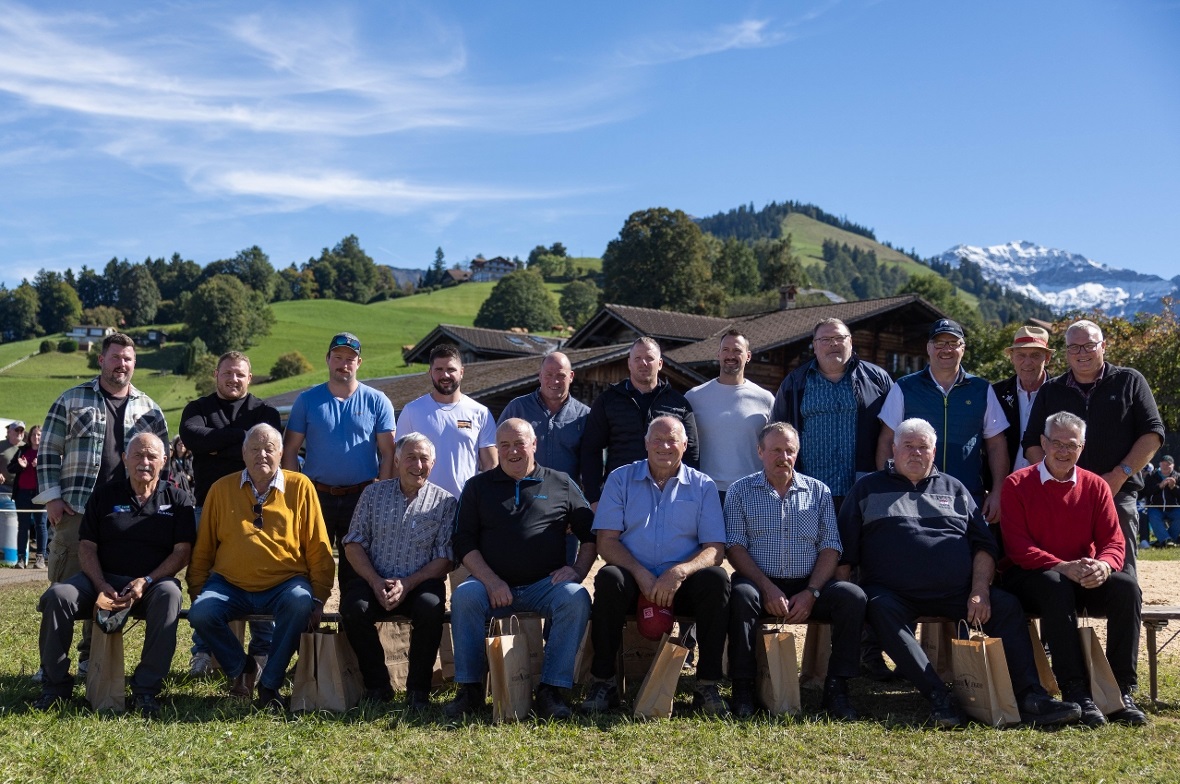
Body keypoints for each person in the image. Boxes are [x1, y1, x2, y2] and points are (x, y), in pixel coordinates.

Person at [839, 418, 1081, 729]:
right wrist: (847, 598)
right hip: (891, 594)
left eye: (922, 447)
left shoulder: (954, 488)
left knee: (1006, 606)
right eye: (908, 447)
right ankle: (940, 696)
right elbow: (844, 550)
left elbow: (984, 545)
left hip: (956, 592)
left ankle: (1031, 696)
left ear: (934, 451)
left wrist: (979, 589)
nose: (915, 453)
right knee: (879, 608)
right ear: (894, 449)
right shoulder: (867, 488)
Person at [1000, 411, 1147, 727]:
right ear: (1043, 443)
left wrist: (1104, 566)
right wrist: (1062, 566)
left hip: (1079, 575)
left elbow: (1114, 542)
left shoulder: (1095, 486)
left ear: (1082, 447)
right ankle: (1076, 692)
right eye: (1057, 443)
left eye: (1072, 445)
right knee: (1055, 584)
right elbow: (1018, 547)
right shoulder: (1017, 484)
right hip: (1031, 577)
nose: (1064, 451)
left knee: (1127, 587)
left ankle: (1121, 692)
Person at [32, 432, 194, 717]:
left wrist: (147, 581)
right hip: (101, 580)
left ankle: (146, 690)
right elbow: (86, 546)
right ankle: (55, 687)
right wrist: (100, 584)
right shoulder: (105, 495)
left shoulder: (178, 499)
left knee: (171, 594)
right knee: (58, 595)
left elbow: (182, 552)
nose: (144, 461)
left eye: (151, 456)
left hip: (151, 585)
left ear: (164, 461)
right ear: (124, 459)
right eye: (137, 455)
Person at [35, 332, 170, 674]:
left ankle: (87, 657)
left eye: (127, 359)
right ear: (102, 360)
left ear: (134, 364)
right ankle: (51, 662)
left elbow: (161, 461)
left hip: (124, 514)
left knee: (106, 583)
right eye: (115, 357)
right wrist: (52, 497)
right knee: (68, 584)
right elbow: (48, 450)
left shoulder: (150, 409)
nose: (121, 364)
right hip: (77, 508)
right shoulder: (72, 399)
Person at [445, 419, 597, 720]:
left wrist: (578, 570)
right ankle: (470, 690)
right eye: (505, 445)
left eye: (519, 443)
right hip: (490, 585)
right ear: (496, 449)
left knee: (576, 598)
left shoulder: (561, 483)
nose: (513, 451)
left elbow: (591, 534)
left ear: (534, 445)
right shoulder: (477, 487)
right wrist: (490, 581)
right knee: (464, 597)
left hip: (546, 585)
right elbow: (463, 542)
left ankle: (551, 690)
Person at [582, 416, 730, 716]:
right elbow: (607, 542)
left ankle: (707, 685)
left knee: (717, 580)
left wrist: (680, 572)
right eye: (657, 440)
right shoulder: (620, 479)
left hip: (682, 581)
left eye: (672, 439)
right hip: (633, 575)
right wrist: (639, 573)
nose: (664, 446)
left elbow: (715, 548)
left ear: (685, 445)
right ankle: (603, 682)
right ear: (646, 443)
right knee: (609, 578)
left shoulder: (702, 486)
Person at [188, 424, 335, 710]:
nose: (262, 455)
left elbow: (319, 546)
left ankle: (270, 683)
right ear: (243, 454)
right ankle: (242, 668)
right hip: (229, 583)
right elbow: (203, 548)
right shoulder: (221, 489)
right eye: (254, 448)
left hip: (285, 581)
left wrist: (319, 595)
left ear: (282, 453)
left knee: (300, 602)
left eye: (269, 449)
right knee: (202, 612)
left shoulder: (300, 487)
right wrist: (197, 588)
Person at [724, 422, 866, 720]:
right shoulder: (740, 491)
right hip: (758, 581)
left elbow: (830, 547)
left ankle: (837, 689)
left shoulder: (818, 491)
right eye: (776, 450)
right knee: (740, 597)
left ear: (797, 454)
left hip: (809, 583)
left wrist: (812, 593)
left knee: (851, 596)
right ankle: (744, 688)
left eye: (790, 450)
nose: (783, 457)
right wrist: (766, 587)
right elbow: (735, 546)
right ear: (760, 451)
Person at [1023, 319, 1165, 577]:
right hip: (1064, 495)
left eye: (1089, 345)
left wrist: (1119, 475)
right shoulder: (1051, 390)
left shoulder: (1130, 381)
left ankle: (1127, 610)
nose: (1082, 353)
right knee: (1059, 577)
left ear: (1103, 346)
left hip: (1117, 492)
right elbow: (1032, 442)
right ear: (1066, 352)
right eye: (1074, 347)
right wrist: (1055, 481)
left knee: (1122, 575)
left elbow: (1153, 434)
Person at [180, 350, 284, 677]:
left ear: (249, 378)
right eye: (227, 373)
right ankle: (204, 651)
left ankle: (263, 650)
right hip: (207, 506)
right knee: (206, 575)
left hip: (258, 506)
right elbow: (192, 437)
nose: (233, 379)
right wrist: (242, 439)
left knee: (264, 573)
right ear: (216, 374)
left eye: (240, 374)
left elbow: (268, 449)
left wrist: (215, 445)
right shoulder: (198, 409)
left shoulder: (265, 411)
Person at [341, 432, 457, 710]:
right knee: (353, 608)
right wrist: (374, 580)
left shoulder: (446, 502)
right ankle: (377, 686)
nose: (417, 465)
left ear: (433, 463)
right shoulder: (373, 494)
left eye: (424, 459)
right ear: (395, 460)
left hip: (420, 582)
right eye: (410, 458)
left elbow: (445, 558)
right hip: (374, 577)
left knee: (431, 607)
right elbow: (353, 542)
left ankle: (418, 691)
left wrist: (408, 582)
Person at [283, 332, 396, 591]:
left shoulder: (377, 400)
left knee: (357, 570)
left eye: (350, 359)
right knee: (311, 563)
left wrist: (382, 494)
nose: (343, 364)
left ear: (359, 363)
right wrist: (293, 491)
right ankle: (312, 622)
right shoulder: (307, 400)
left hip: (362, 496)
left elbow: (388, 453)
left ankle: (350, 627)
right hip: (315, 495)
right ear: (327, 359)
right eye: (338, 357)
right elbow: (289, 450)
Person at [876, 319, 1009, 523]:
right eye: (939, 343)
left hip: (967, 496)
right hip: (912, 496)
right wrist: (889, 487)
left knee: (968, 553)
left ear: (963, 349)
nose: (946, 349)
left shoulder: (981, 389)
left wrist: (998, 491)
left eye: (953, 343)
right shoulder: (904, 387)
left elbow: (996, 444)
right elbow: (886, 441)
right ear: (929, 348)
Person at [771, 318, 893, 511]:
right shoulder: (794, 383)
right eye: (825, 339)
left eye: (839, 337)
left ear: (851, 342)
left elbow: (893, 432)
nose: (833, 343)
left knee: (858, 542)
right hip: (808, 490)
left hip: (863, 489)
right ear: (815, 346)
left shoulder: (877, 379)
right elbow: (776, 435)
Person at [580, 337, 700, 507]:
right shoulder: (608, 401)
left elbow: (691, 453)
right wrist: (594, 497)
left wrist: (689, 494)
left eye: (649, 358)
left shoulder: (678, 403)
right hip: (620, 493)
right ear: (629, 363)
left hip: (668, 495)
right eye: (637, 358)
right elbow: (591, 449)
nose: (643, 363)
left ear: (660, 363)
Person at [499, 351, 590, 564]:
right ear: (539, 376)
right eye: (548, 375)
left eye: (560, 375)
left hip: (563, 512)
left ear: (571, 376)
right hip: (520, 506)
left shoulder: (585, 416)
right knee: (516, 569)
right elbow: (499, 453)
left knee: (561, 575)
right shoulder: (517, 408)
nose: (554, 381)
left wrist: (578, 511)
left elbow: (591, 466)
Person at [395, 343, 497, 499]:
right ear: (430, 372)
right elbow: (399, 463)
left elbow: (491, 465)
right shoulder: (412, 411)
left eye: (451, 369)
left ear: (461, 372)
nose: (445, 375)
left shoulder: (480, 413)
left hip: (465, 505)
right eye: (439, 370)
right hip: (419, 506)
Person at [685, 329, 774, 503]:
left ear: (748, 356)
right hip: (706, 490)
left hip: (752, 491)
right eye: (725, 350)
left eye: (737, 350)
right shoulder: (694, 397)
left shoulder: (765, 399)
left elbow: (774, 447)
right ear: (718, 354)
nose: (730, 355)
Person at [992, 326, 1055, 474]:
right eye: (1021, 355)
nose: (1027, 362)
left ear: (1047, 358)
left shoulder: (1060, 394)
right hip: (1006, 485)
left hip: (1048, 484)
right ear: (1012, 358)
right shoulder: (996, 393)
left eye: (1035, 355)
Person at [8, 424, 47, 569]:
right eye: (33, 435)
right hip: (22, 494)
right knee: (23, 527)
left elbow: (55, 471)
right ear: (29, 437)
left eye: (38, 435)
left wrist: (40, 465)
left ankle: (40, 558)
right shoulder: (22, 451)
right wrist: (20, 466)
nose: (36, 437)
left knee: (41, 525)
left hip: (40, 494)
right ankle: (20, 559)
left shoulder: (46, 452)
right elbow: (10, 468)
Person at [1143, 455, 1180, 547]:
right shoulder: (1151, 476)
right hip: (1156, 507)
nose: (1165, 466)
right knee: (1153, 517)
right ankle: (1166, 539)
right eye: (1163, 464)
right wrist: (1159, 486)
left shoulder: (1178, 477)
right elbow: (1146, 492)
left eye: (1168, 464)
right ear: (1159, 464)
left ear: (1173, 466)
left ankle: (1166, 540)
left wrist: (1173, 487)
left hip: (1174, 508)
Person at [0, 419, 25, 494]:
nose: (19, 433)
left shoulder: (27, 447)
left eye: (22, 431)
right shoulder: (1, 445)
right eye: (17, 430)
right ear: (9, 432)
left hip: (22, 489)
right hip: (4, 488)